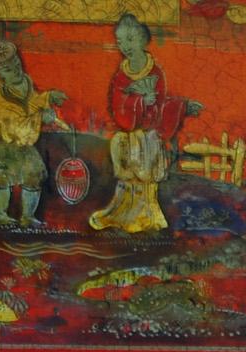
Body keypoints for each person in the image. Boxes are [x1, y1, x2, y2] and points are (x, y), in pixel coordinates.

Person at [89, 13, 203, 234]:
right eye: (120, 41)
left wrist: (182, 106)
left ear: (143, 38)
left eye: (130, 39)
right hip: (129, 136)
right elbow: (116, 105)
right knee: (128, 172)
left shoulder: (155, 72)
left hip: (149, 136)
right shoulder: (121, 75)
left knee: (147, 173)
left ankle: (147, 216)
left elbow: (162, 105)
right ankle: (123, 214)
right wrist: (139, 101)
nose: (125, 46)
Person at [0, 40, 69, 226]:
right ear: (0, 74)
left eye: (17, 65)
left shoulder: (25, 84)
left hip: (18, 138)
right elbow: (17, 128)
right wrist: (40, 119)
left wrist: (49, 97)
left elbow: (32, 104)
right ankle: (0, 214)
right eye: (9, 70)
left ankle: (28, 217)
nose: (16, 71)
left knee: (34, 170)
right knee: (1, 175)